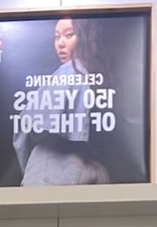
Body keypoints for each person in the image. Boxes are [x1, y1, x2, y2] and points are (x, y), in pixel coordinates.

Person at [14, 17, 110, 186]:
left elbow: (27, 123)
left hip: (51, 169)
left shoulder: (69, 71)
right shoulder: (97, 74)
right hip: (95, 171)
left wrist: (25, 162)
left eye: (69, 35)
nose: (60, 43)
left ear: (84, 37)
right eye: (57, 37)